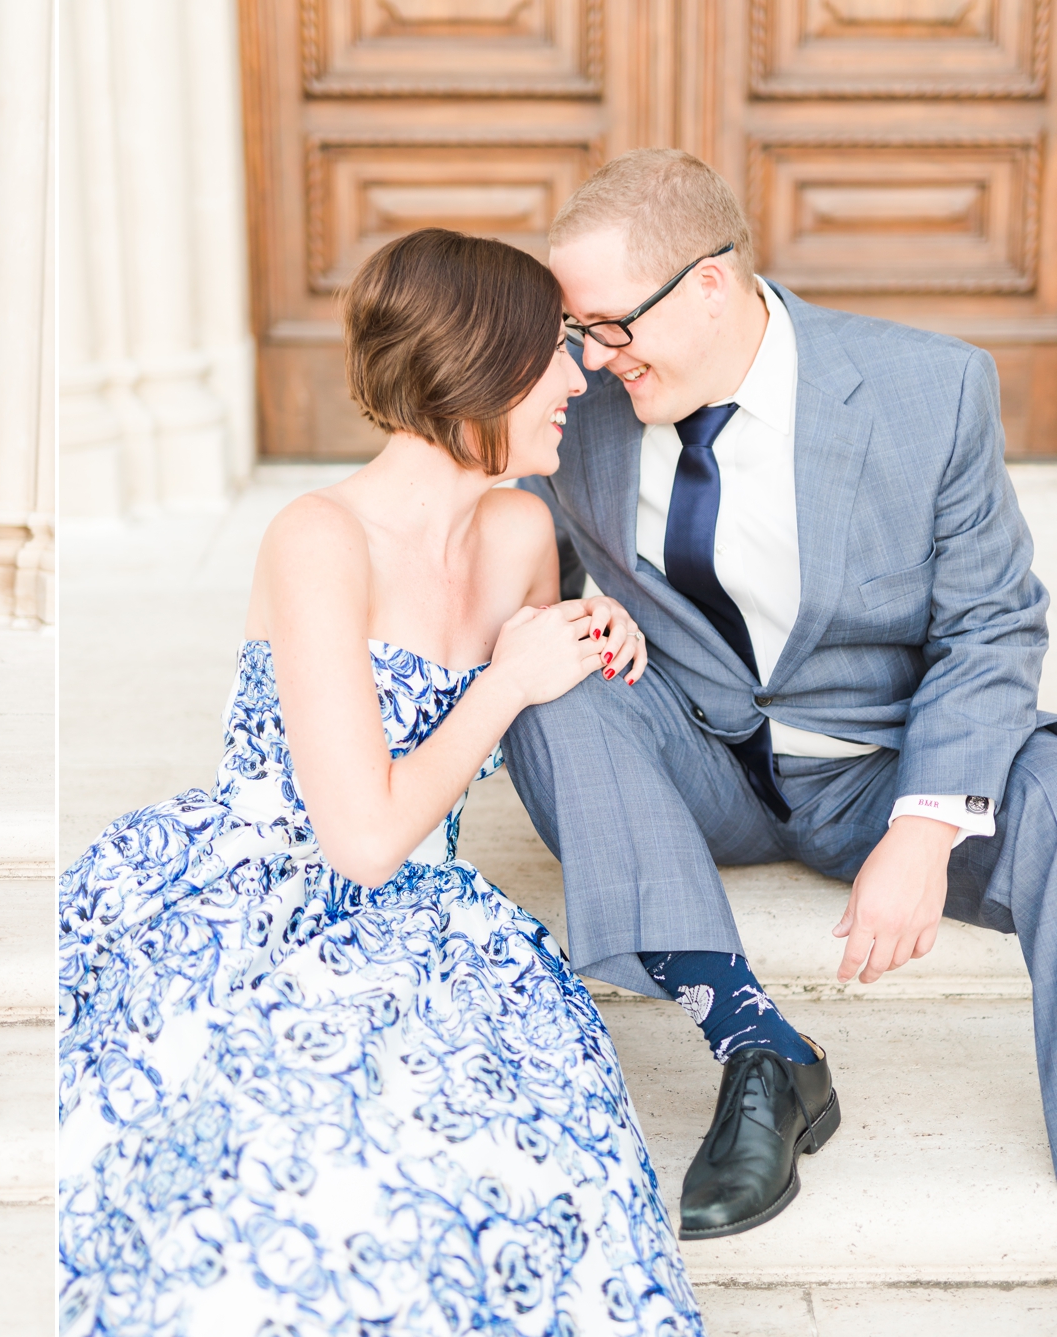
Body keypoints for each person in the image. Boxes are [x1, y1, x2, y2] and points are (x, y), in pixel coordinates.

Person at [59, 229, 704, 1335]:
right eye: (553, 350)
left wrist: (588, 624)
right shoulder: (318, 537)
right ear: (479, 363)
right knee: (291, 1168)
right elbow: (357, 839)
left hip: (435, 914)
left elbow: (541, 678)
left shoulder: (517, 531)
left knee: (526, 1175)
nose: (577, 373)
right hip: (262, 895)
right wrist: (502, 684)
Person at [506, 147, 1057, 1240]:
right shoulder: (583, 408)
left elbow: (991, 624)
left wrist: (923, 825)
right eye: (579, 330)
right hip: (696, 758)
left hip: (877, 763)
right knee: (540, 683)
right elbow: (483, 538)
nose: (588, 357)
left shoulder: (926, 389)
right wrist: (574, 609)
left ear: (708, 283)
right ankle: (758, 1048)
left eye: (610, 324)